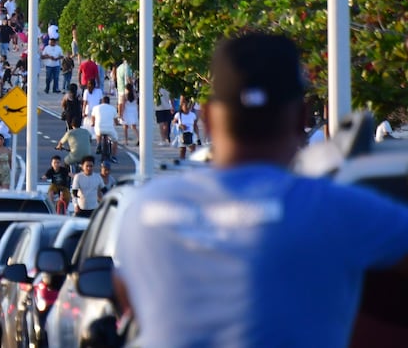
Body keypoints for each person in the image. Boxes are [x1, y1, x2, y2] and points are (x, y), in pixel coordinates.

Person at [114, 33, 408, 347]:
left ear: (207, 120)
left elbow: (128, 295)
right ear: (301, 119)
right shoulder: (337, 211)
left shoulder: (143, 212)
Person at [90, 94, 119, 163]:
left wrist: (93, 123)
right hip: (110, 129)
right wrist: (117, 124)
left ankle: (98, 144)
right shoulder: (113, 108)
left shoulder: (96, 107)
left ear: (102, 102)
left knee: (98, 133)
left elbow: (93, 118)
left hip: (99, 128)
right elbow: (116, 121)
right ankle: (114, 156)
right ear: (109, 102)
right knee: (115, 140)